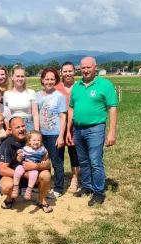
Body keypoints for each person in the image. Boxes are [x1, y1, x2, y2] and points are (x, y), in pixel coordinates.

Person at [66, 57, 118, 206]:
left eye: (89, 67)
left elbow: (112, 108)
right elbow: (71, 108)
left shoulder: (105, 85)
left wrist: (112, 131)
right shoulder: (77, 86)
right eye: (83, 68)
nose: (86, 70)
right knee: (83, 161)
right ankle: (87, 186)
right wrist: (69, 130)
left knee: (95, 161)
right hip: (78, 129)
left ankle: (98, 192)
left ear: (95, 67)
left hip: (96, 128)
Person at [0, 117, 53, 213]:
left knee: (46, 175)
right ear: (11, 130)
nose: (21, 129)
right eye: (17, 127)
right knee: (6, 185)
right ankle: (10, 198)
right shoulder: (6, 144)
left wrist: (36, 166)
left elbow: (48, 164)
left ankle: (41, 200)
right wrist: (24, 174)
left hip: (34, 175)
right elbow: (2, 169)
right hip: (16, 176)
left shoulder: (34, 139)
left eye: (23, 126)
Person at [36, 67, 67, 199]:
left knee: (56, 161)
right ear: (42, 80)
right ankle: (45, 185)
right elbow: (35, 113)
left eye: (52, 79)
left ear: (56, 80)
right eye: (47, 79)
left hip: (54, 133)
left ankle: (58, 188)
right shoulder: (37, 95)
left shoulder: (59, 96)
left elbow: (63, 117)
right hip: (41, 134)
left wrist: (61, 136)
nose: (49, 81)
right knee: (44, 161)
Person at [55, 61, 80, 193]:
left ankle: (75, 178)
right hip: (59, 126)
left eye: (70, 71)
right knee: (58, 153)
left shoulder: (80, 86)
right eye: (65, 71)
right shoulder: (56, 87)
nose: (68, 73)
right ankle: (58, 178)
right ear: (61, 73)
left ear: (74, 72)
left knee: (74, 153)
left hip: (75, 126)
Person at [12, 130, 48, 201]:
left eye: (38, 140)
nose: (36, 142)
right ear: (29, 141)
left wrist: (43, 160)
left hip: (34, 167)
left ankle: (29, 190)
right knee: (18, 169)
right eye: (34, 140)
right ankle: (15, 187)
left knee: (34, 174)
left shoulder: (42, 149)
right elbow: (19, 159)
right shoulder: (26, 149)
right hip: (24, 165)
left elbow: (46, 153)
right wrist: (20, 155)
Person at [4, 65, 39, 133]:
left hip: (28, 126)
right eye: (17, 76)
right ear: (12, 77)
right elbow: (6, 115)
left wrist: (36, 131)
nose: (20, 78)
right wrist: (8, 129)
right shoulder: (7, 94)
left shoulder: (31, 93)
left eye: (22, 76)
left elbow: (35, 114)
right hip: (13, 126)